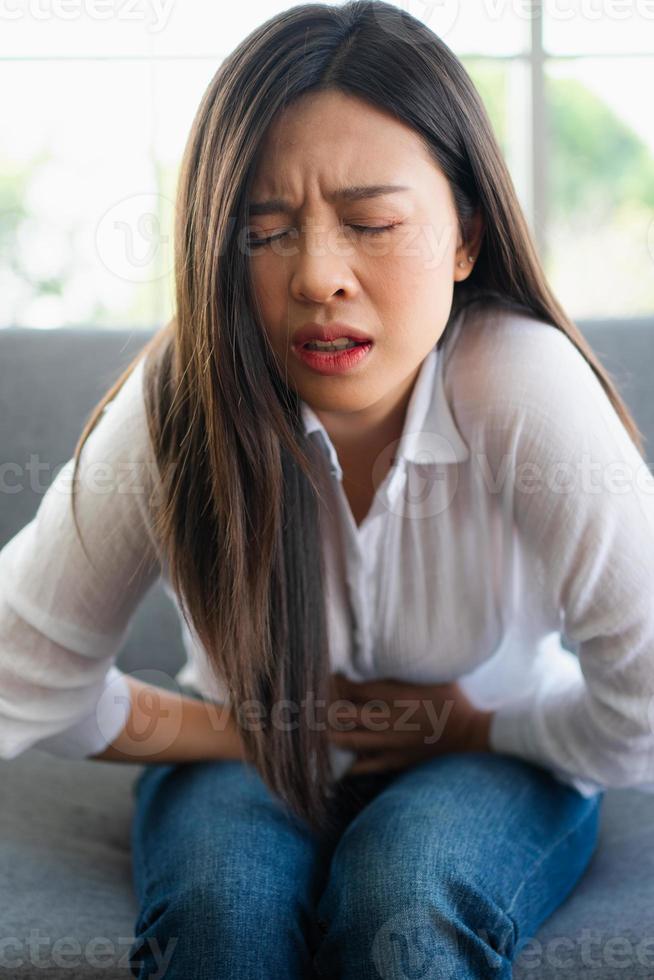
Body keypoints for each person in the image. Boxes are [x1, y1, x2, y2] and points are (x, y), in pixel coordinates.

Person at [2, 2, 654, 977]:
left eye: (371, 223)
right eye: (264, 233)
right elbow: (20, 673)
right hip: (244, 755)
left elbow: (643, 701)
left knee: (407, 888)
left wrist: (472, 723)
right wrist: (250, 729)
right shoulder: (185, 397)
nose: (317, 277)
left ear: (468, 235)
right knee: (224, 905)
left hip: (496, 756)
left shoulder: (522, 381)